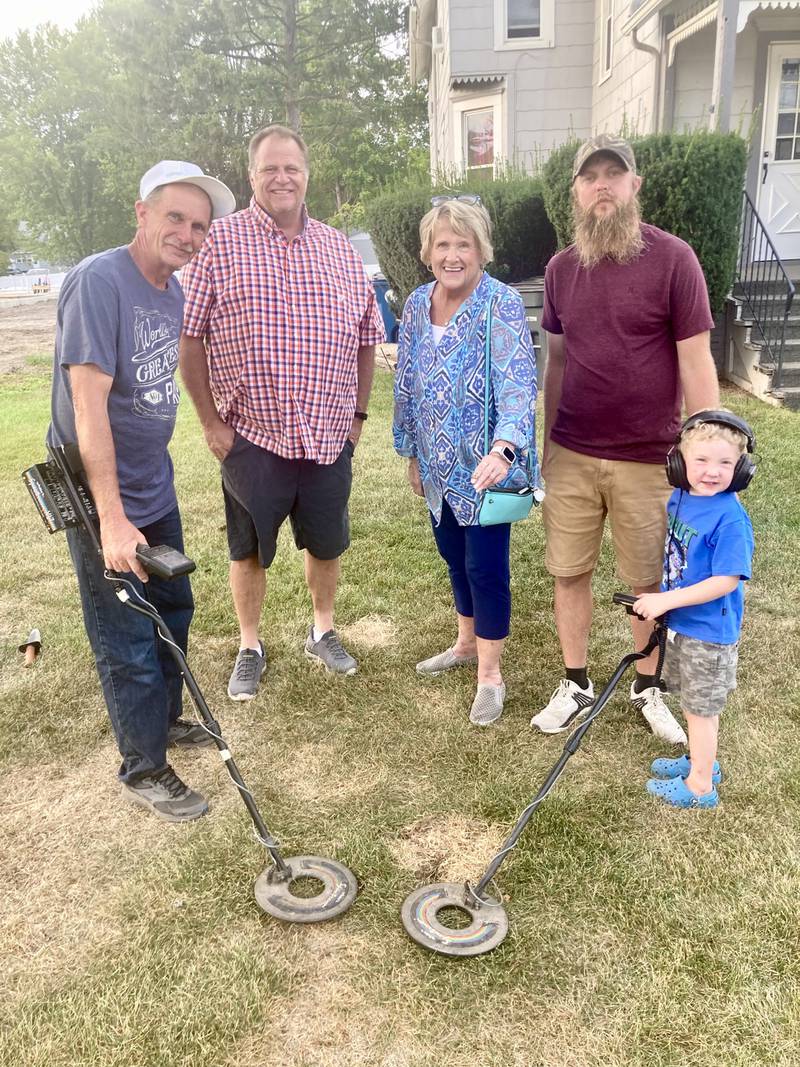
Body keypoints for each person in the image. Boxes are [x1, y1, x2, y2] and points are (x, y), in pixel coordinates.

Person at [49, 160, 236, 820]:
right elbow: (87, 402)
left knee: (173, 610)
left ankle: (164, 719)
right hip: (106, 497)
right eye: (174, 218)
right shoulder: (101, 282)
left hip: (152, 489)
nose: (186, 234)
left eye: (198, 225)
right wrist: (111, 518)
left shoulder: (170, 293)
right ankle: (143, 765)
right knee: (125, 631)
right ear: (142, 214)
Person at [179, 125, 384, 701]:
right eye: (270, 168)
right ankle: (250, 644)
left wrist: (358, 417)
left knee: (326, 542)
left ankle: (322, 629)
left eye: (291, 167)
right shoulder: (220, 242)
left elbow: (369, 335)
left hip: (326, 433)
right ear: (252, 176)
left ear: (306, 174)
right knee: (248, 548)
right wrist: (211, 423)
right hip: (252, 435)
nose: (282, 177)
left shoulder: (338, 247)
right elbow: (190, 337)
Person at [531, 134, 720, 744]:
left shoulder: (674, 260)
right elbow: (555, 362)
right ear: (577, 193)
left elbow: (695, 361)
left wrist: (708, 449)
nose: (603, 186)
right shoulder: (561, 270)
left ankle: (648, 686)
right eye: (591, 177)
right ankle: (577, 681)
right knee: (569, 571)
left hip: (650, 458)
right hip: (574, 453)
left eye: (615, 174)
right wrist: (548, 441)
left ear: (635, 186)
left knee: (650, 580)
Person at [393, 197, 538, 726]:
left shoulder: (498, 302)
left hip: (485, 468)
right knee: (453, 557)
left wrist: (504, 449)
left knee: (486, 566)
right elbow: (406, 382)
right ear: (428, 251)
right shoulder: (414, 305)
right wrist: (410, 452)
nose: (453, 255)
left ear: (481, 249)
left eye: (464, 244)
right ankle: (464, 643)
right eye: (443, 244)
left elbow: (519, 382)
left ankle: (490, 675)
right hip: (435, 463)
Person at [632, 410, 755, 808]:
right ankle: (701, 762)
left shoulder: (731, 519)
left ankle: (700, 786)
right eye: (701, 460)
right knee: (688, 700)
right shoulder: (681, 497)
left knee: (701, 711)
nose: (712, 471)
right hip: (683, 624)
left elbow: (726, 581)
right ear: (679, 462)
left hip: (709, 632)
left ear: (740, 470)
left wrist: (665, 599)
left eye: (725, 463)